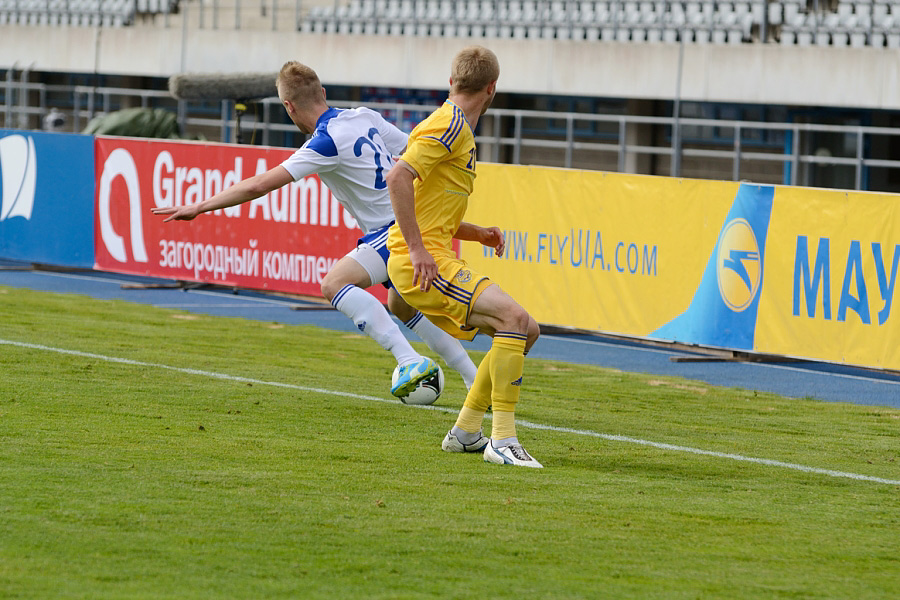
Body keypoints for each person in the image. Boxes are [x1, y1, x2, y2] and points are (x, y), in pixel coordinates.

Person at [152, 60, 489, 398]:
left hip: (392, 232)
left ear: (289, 107)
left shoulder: (324, 142)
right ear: (323, 93)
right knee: (401, 305)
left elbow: (258, 186)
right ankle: (474, 379)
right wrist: (465, 226)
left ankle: (409, 361)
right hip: (412, 224)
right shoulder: (364, 116)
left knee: (334, 283)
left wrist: (199, 206)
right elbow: (413, 153)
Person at [385, 46, 543, 468]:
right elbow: (397, 177)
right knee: (513, 319)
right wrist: (418, 251)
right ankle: (503, 440)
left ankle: (467, 431)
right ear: (492, 88)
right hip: (421, 262)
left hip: (431, 255)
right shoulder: (450, 125)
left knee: (526, 330)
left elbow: (430, 206)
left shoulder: (456, 129)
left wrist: (477, 233)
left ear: (452, 80)